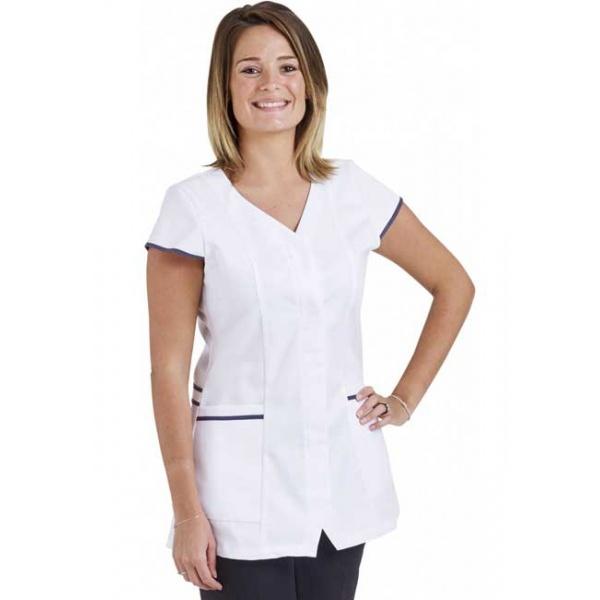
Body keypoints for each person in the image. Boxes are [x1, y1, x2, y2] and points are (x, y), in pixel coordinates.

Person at [144, 2, 475, 598]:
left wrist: (404, 400)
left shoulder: (352, 192)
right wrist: (187, 511)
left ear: (311, 83)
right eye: (249, 69)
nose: (270, 84)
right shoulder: (193, 207)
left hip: (339, 484)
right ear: (224, 88)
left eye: (287, 66)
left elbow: (453, 284)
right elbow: (168, 369)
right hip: (236, 499)